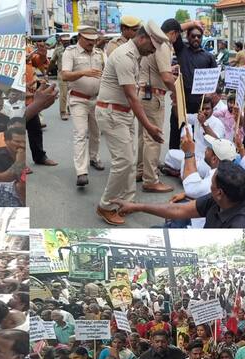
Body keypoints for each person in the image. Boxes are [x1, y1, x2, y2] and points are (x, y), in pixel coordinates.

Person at [95, 21, 167, 226]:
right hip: (112, 114)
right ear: (142, 38)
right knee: (124, 161)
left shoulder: (136, 55)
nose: (153, 51)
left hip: (122, 114)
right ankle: (105, 206)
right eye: (152, 47)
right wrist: (149, 126)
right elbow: (131, 96)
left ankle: (126, 201)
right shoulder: (125, 57)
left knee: (129, 159)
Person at [112, 160, 245, 228]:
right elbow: (179, 210)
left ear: (220, 193)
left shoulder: (240, 225)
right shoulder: (221, 198)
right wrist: (137, 206)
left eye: (211, 184)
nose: (210, 187)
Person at [136, 19, 182, 192]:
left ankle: (141, 171)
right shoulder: (162, 45)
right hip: (154, 95)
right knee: (153, 138)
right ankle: (151, 179)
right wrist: (176, 94)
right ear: (174, 34)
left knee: (144, 136)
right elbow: (166, 77)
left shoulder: (154, 41)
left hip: (144, 92)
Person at [61, 25, 105, 187]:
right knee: (81, 133)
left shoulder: (99, 53)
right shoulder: (70, 52)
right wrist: (83, 73)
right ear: (80, 37)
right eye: (88, 40)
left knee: (96, 132)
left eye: (94, 40)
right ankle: (81, 171)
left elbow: (105, 73)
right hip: (78, 99)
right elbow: (64, 75)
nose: (91, 43)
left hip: (97, 99)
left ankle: (94, 157)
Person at [168, 23, 215, 150]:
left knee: (195, 136)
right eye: (193, 36)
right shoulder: (181, 50)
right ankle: (173, 164)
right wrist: (193, 23)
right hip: (181, 102)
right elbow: (172, 29)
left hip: (198, 105)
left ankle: (192, 164)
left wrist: (209, 97)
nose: (196, 39)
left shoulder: (209, 57)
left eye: (199, 36)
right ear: (187, 37)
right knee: (176, 132)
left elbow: (215, 82)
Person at [51, 33, 72, 121]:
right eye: (65, 41)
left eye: (68, 41)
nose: (67, 42)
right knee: (63, 94)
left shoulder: (73, 50)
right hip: (62, 73)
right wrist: (46, 73)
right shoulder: (58, 50)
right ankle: (63, 112)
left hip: (72, 74)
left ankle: (69, 108)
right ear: (62, 41)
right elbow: (52, 61)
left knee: (72, 93)